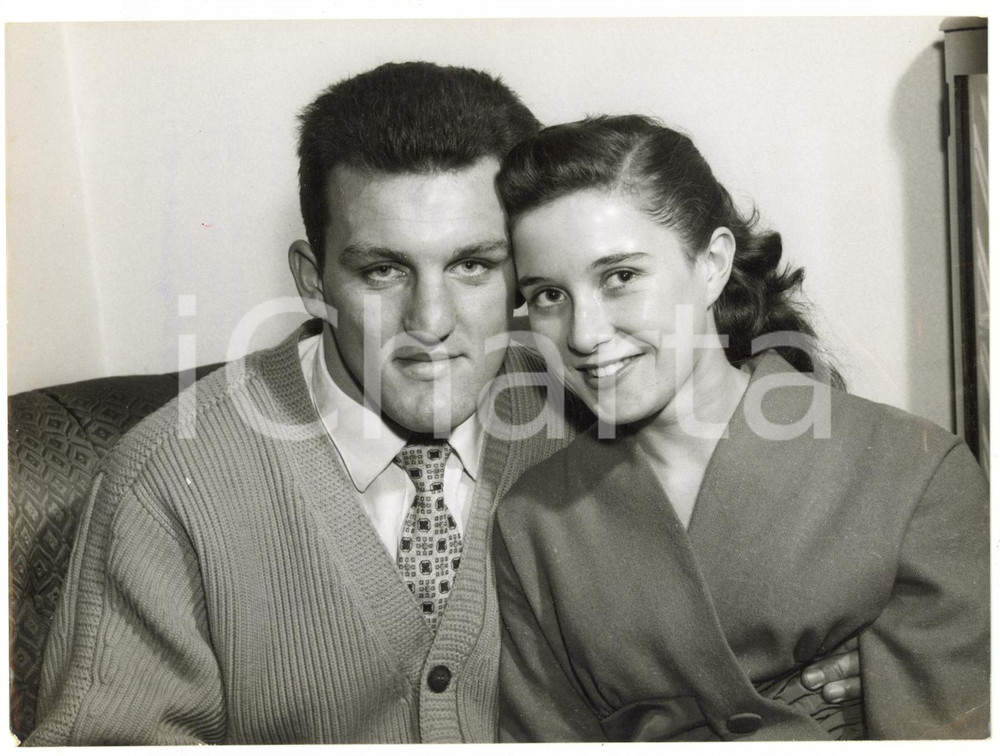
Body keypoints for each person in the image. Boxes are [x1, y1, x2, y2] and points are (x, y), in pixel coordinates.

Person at [25, 65, 861, 745]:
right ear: (315, 282)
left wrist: (835, 659)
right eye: (382, 269)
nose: (431, 325)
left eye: (473, 265)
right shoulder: (171, 481)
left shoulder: (602, 406)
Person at [492, 114, 989, 741]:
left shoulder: (914, 474)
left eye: (620, 277)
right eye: (547, 296)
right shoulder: (532, 520)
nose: (585, 334)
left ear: (712, 264)